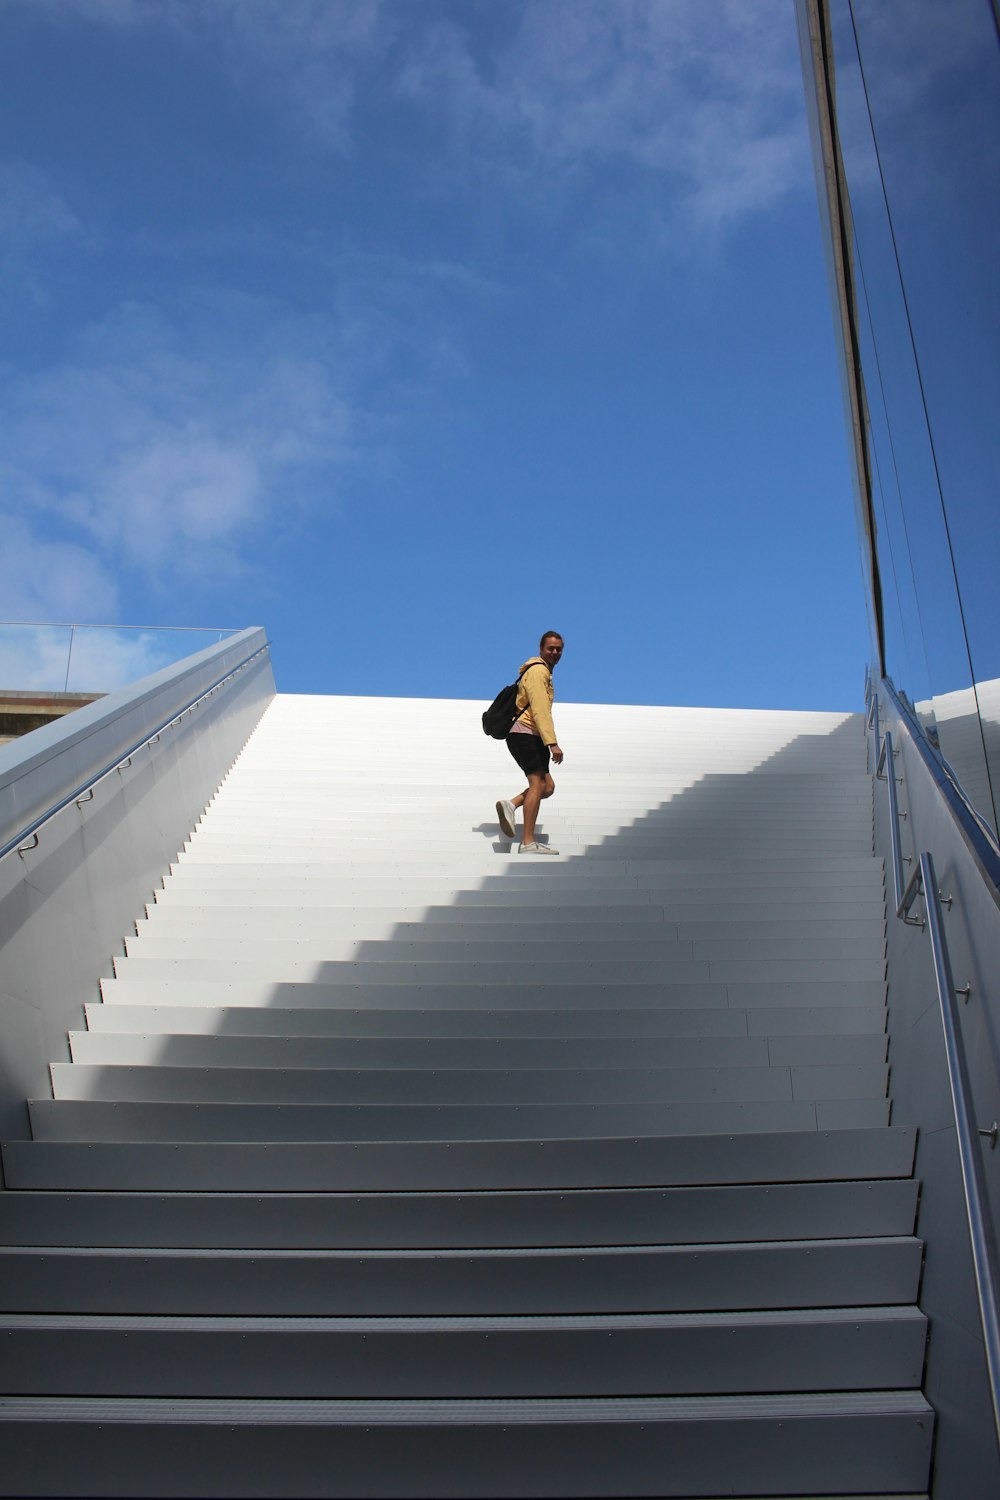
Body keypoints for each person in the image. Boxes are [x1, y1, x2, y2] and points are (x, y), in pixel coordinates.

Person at [496, 631, 565, 855]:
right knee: (537, 784)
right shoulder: (538, 671)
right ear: (541, 649)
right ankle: (527, 842)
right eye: (550, 648)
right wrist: (552, 743)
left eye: (558, 649)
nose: (555, 652)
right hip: (525, 733)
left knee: (548, 786)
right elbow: (539, 709)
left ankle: (512, 804)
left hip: (531, 735)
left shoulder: (541, 671)